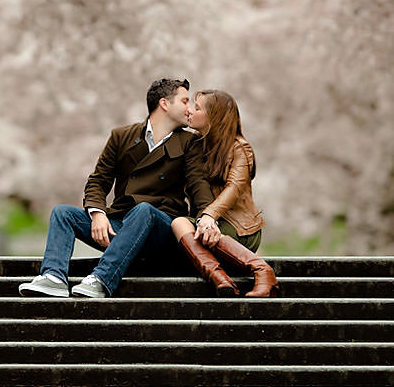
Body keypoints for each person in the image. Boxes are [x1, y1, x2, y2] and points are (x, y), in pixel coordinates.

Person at [18, 78, 219, 298]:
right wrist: (97, 213)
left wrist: (207, 216)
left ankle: (102, 279)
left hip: (160, 230)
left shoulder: (190, 143)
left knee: (144, 210)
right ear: (164, 104)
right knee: (63, 213)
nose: (189, 109)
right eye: (184, 101)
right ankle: (53, 277)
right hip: (121, 224)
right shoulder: (121, 136)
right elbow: (98, 181)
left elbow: (199, 185)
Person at [171, 89, 279, 298]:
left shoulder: (240, 148)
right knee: (178, 223)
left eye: (197, 108)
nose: (190, 112)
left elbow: (234, 188)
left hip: (239, 229)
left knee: (184, 225)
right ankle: (219, 278)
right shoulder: (196, 146)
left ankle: (262, 270)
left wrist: (208, 217)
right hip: (207, 227)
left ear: (214, 116)